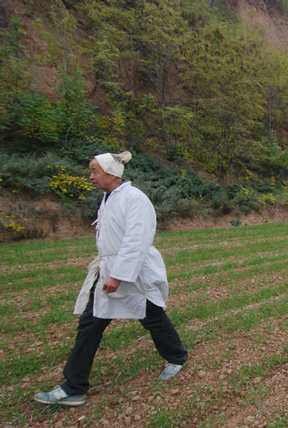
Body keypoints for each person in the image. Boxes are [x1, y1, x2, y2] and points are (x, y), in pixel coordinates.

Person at [34, 151, 188, 407]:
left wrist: (118, 276)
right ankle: (74, 386)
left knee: (151, 316)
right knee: (91, 324)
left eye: (95, 172)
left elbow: (136, 240)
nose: (91, 177)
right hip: (111, 269)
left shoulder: (134, 199)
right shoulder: (109, 199)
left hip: (132, 272)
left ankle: (177, 356)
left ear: (111, 174)